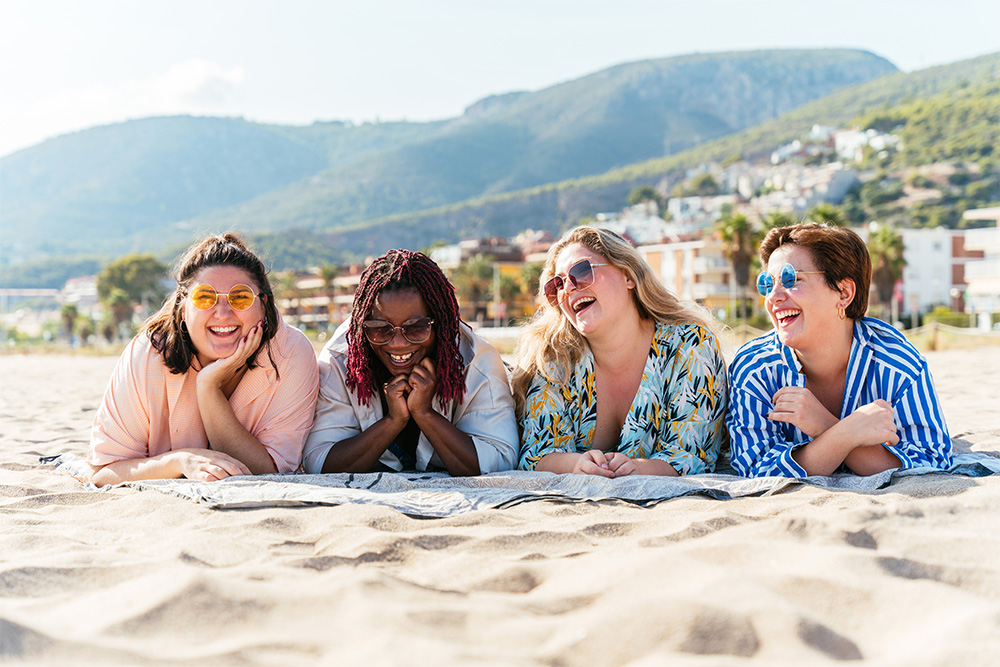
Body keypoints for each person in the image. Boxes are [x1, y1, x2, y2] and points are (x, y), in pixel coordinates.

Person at [87, 234, 319, 487]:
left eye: (240, 297)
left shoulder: (290, 353)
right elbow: (103, 473)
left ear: (263, 304)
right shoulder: (148, 354)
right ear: (183, 307)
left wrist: (209, 387)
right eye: (204, 298)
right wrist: (179, 461)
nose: (222, 313)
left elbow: (273, 472)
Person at [727, 223, 952, 477]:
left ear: (844, 293)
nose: (773, 297)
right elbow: (758, 470)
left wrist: (824, 424)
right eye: (767, 284)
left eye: (791, 279)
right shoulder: (754, 367)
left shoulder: (898, 364)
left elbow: (932, 464)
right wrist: (847, 432)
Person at [512, 226, 728, 477]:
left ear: (628, 276)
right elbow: (536, 454)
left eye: (581, 271)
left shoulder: (690, 346)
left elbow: (693, 454)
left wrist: (639, 468)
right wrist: (575, 465)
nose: (568, 288)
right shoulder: (555, 359)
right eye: (557, 284)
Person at [302, 249, 518, 475]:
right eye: (380, 329)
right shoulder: (341, 359)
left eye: (416, 328)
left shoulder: (476, 362)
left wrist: (425, 414)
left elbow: (501, 461)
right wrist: (393, 421)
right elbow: (318, 461)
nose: (397, 343)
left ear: (440, 324)